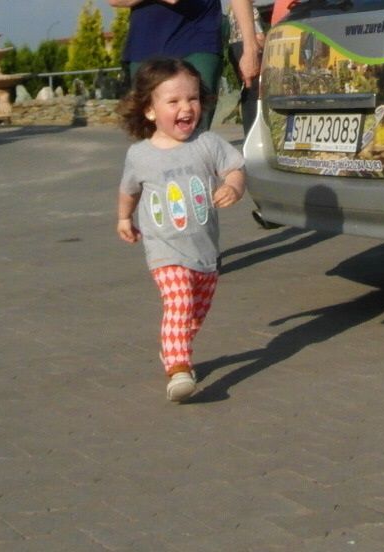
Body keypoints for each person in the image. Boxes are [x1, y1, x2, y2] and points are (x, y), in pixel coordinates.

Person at [115, 58, 246, 402]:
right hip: (165, 251)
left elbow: (235, 169)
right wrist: (124, 218)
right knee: (179, 302)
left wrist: (233, 186)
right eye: (173, 101)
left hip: (205, 254)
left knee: (193, 315)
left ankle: (174, 348)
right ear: (149, 110)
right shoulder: (140, 155)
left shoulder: (207, 144)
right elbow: (129, 190)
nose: (186, 108)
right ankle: (178, 370)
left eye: (193, 98)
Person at [108, 0, 260, 129]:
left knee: (195, 125)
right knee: (150, 130)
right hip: (146, 43)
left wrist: (250, 48)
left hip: (199, 37)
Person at [227, 1, 266, 135]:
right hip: (247, 46)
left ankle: (249, 134)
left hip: (235, 45)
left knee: (247, 92)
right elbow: (259, 36)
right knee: (254, 91)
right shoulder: (249, 10)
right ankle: (254, 134)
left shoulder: (232, 10)